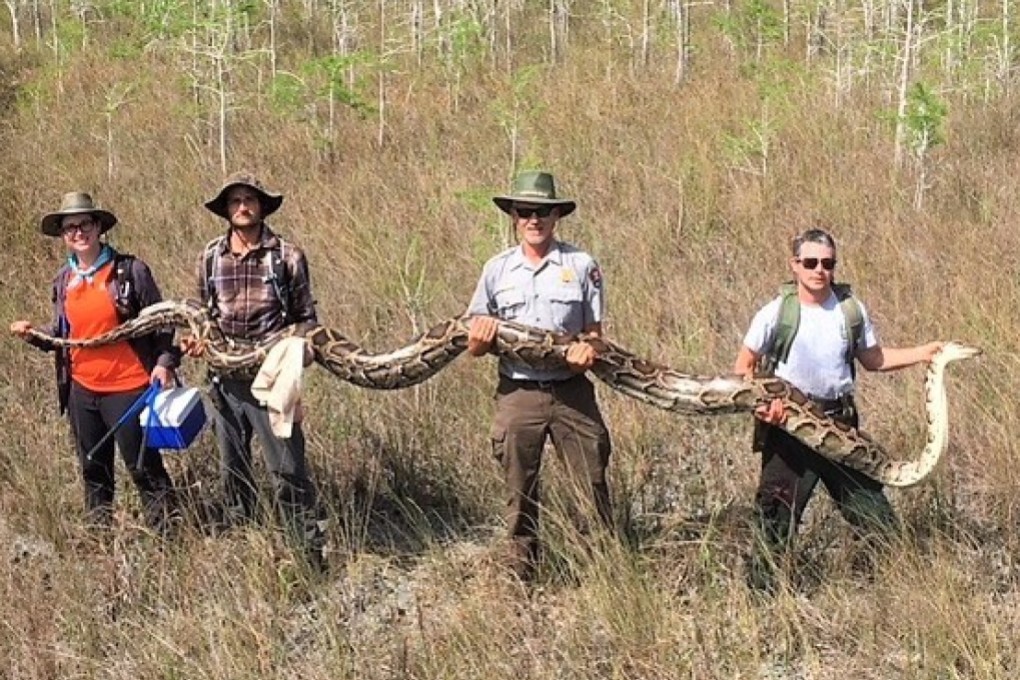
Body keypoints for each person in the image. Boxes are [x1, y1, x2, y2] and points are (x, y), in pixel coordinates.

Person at [733, 227, 942, 590]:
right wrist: (765, 408)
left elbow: (874, 359)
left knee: (876, 518)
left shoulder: (849, 310)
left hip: (840, 427)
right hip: (789, 432)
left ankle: (893, 589)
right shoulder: (776, 312)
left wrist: (924, 353)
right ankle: (763, 605)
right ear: (794, 265)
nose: (819, 270)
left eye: (827, 263)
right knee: (775, 523)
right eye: (810, 262)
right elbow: (744, 367)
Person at [466, 170, 613, 581]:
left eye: (543, 211)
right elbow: (474, 344)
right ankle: (521, 577)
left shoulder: (582, 265)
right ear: (513, 216)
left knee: (592, 483)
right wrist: (479, 338)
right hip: (518, 391)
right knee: (519, 490)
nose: (534, 219)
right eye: (526, 211)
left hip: (571, 392)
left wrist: (589, 350)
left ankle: (602, 573)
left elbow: (598, 338)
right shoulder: (496, 270)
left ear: (556, 216)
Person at [180, 171, 325, 570]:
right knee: (233, 469)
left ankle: (307, 551)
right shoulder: (210, 256)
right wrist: (196, 342)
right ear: (226, 210)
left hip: (273, 379)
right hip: (224, 381)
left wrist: (294, 349)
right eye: (235, 201)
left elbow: (305, 318)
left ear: (261, 207)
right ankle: (243, 548)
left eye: (250, 200)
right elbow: (201, 313)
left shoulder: (287, 256)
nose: (243, 207)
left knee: (287, 468)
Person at [10, 192, 179, 534]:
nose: (78, 232)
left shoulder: (130, 271)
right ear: (62, 235)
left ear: (99, 226)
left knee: (143, 467)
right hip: (82, 391)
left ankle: (170, 540)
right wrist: (35, 335)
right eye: (70, 227)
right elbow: (65, 334)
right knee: (93, 469)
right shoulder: (64, 280)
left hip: (129, 388)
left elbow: (163, 321)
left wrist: (164, 362)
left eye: (85, 223)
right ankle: (99, 542)